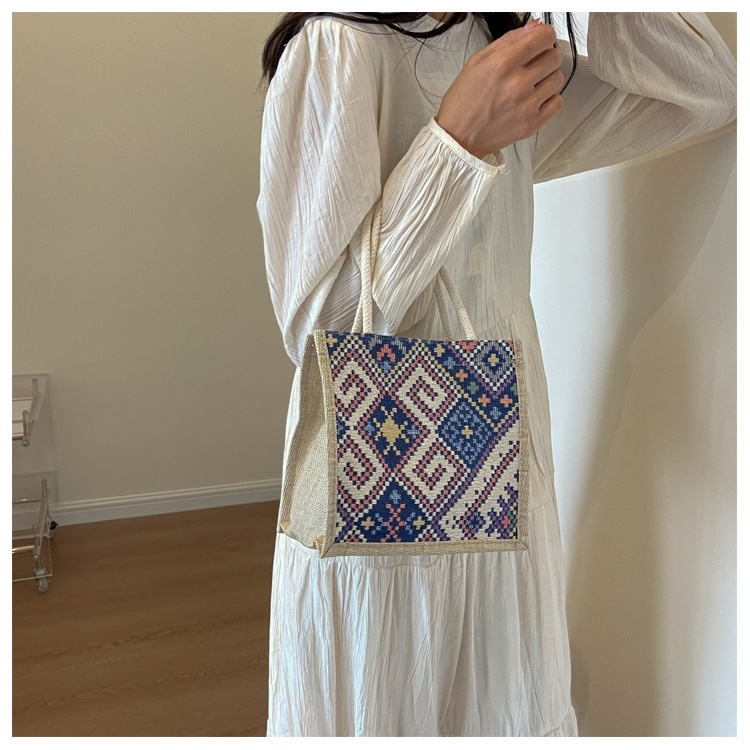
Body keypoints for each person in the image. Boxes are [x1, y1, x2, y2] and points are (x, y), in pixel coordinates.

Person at [256, 12, 736, 737]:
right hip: (376, 513)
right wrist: (456, 141)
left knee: (502, 703)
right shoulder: (337, 47)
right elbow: (322, 331)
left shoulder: (504, 51)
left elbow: (708, 87)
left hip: (502, 482)